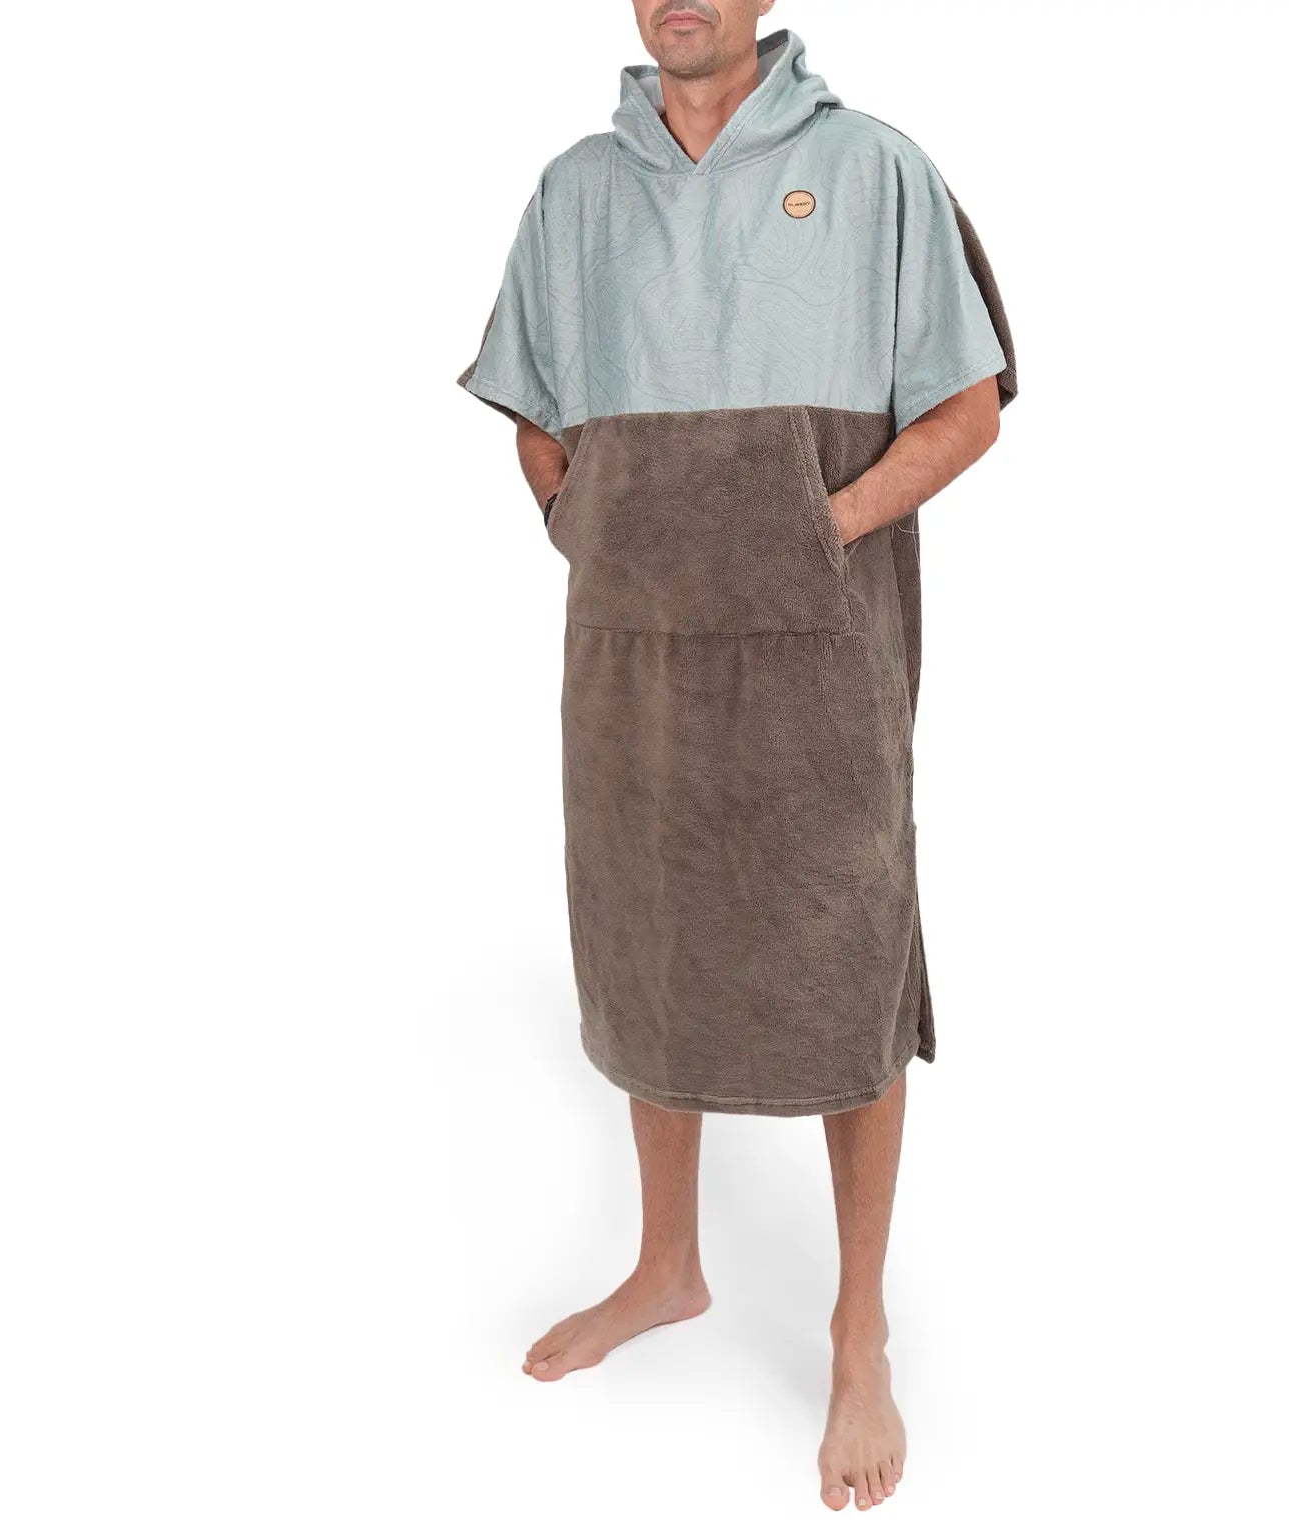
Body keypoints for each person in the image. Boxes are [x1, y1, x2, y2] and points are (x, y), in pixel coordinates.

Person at [458, 3, 1017, 1511]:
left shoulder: (873, 169)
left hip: (822, 647)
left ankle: (857, 1328)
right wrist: (589, 526)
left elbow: (965, 409)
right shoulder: (578, 190)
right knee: (649, 928)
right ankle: (667, 1264)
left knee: (844, 948)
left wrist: (810, 530)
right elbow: (533, 408)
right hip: (631, 646)